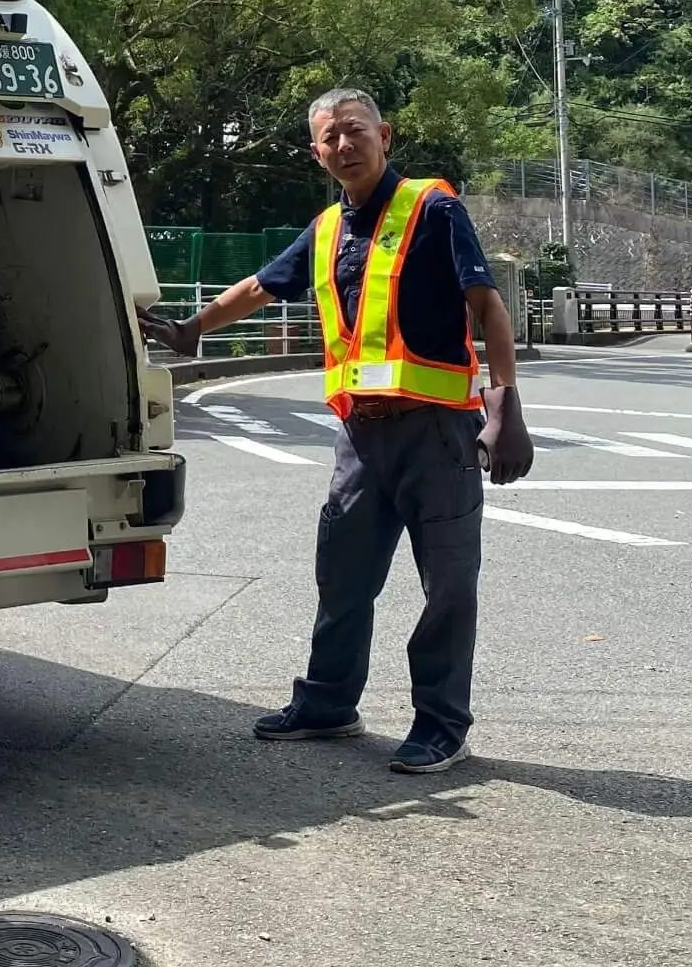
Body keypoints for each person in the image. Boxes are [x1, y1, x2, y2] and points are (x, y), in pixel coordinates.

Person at [143, 87, 533, 776]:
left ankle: (442, 724)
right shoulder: (328, 228)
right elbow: (263, 287)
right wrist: (191, 329)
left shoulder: (433, 210)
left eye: (355, 131)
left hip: (437, 432)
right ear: (316, 152)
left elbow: (486, 305)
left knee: (448, 585)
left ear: (384, 134)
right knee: (343, 576)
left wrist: (503, 403)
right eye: (330, 138)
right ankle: (328, 703)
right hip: (360, 437)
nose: (344, 146)